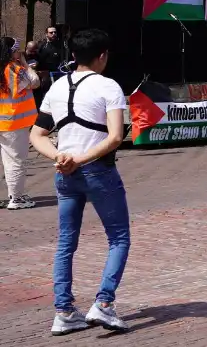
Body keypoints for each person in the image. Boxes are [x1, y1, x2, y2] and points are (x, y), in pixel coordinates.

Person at [27, 29, 130, 334]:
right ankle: (104, 303)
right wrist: (80, 159)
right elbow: (115, 137)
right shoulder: (109, 87)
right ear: (102, 56)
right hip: (98, 171)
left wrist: (60, 157)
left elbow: (37, 135)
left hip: (65, 174)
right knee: (119, 237)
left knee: (66, 243)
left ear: (73, 55)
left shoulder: (57, 88)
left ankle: (64, 311)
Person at [1, 36, 41, 209]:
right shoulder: (14, 69)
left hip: (5, 121)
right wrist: (24, 63)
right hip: (13, 122)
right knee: (15, 160)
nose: (20, 52)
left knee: (7, 160)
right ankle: (16, 198)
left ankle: (13, 195)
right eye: (18, 50)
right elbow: (35, 82)